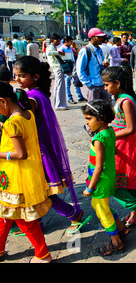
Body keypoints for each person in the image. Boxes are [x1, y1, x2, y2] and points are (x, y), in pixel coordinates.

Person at [13, 56, 91, 234]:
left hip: (36, 150)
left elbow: (23, 119)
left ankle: (71, 213)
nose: (17, 79)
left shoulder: (32, 98)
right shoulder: (37, 94)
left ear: (35, 77)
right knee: (39, 189)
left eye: (22, 76)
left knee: (43, 190)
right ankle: (39, 220)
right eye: (16, 75)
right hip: (36, 148)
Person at [0, 82, 52, 263]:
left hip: (17, 177)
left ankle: (43, 254)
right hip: (19, 175)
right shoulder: (27, 114)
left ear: (3, 102)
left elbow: (20, 153)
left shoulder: (12, 123)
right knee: (5, 216)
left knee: (22, 220)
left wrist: (1, 154)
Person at [101, 66, 136, 227]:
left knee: (115, 183)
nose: (105, 89)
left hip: (124, 147)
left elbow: (130, 128)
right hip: (120, 145)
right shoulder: (121, 98)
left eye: (107, 85)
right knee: (127, 181)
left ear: (117, 83)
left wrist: (109, 135)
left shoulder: (126, 101)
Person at [81, 99, 129, 257]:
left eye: (89, 119)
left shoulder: (98, 139)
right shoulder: (109, 132)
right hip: (109, 177)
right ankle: (121, 228)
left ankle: (116, 242)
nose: (87, 123)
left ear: (101, 118)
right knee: (101, 206)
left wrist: (90, 187)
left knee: (102, 211)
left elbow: (98, 167)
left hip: (100, 181)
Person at [76, 28, 110, 102]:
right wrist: (89, 84)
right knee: (94, 110)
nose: (102, 39)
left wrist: (104, 65)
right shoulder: (85, 51)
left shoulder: (99, 50)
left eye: (102, 37)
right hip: (93, 85)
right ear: (92, 38)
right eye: (99, 37)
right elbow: (80, 70)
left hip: (102, 84)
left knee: (106, 108)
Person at [59, 35, 86, 104]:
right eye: (70, 41)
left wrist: (75, 47)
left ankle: (80, 97)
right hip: (67, 67)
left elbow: (76, 54)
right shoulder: (61, 49)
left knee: (76, 82)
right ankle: (69, 98)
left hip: (73, 66)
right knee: (68, 84)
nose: (71, 43)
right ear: (66, 41)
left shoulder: (71, 48)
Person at [45, 34, 68, 110]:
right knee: (60, 86)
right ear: (52, 41)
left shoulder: (54, 47)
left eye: (59, 41)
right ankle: (59, 105)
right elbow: (48, 53)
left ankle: (59, 103)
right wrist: (58, 52)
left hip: (58, 67)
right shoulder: (50, 47)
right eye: (57, 41)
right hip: (56, 67)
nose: (58, 42)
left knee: (59, 86)